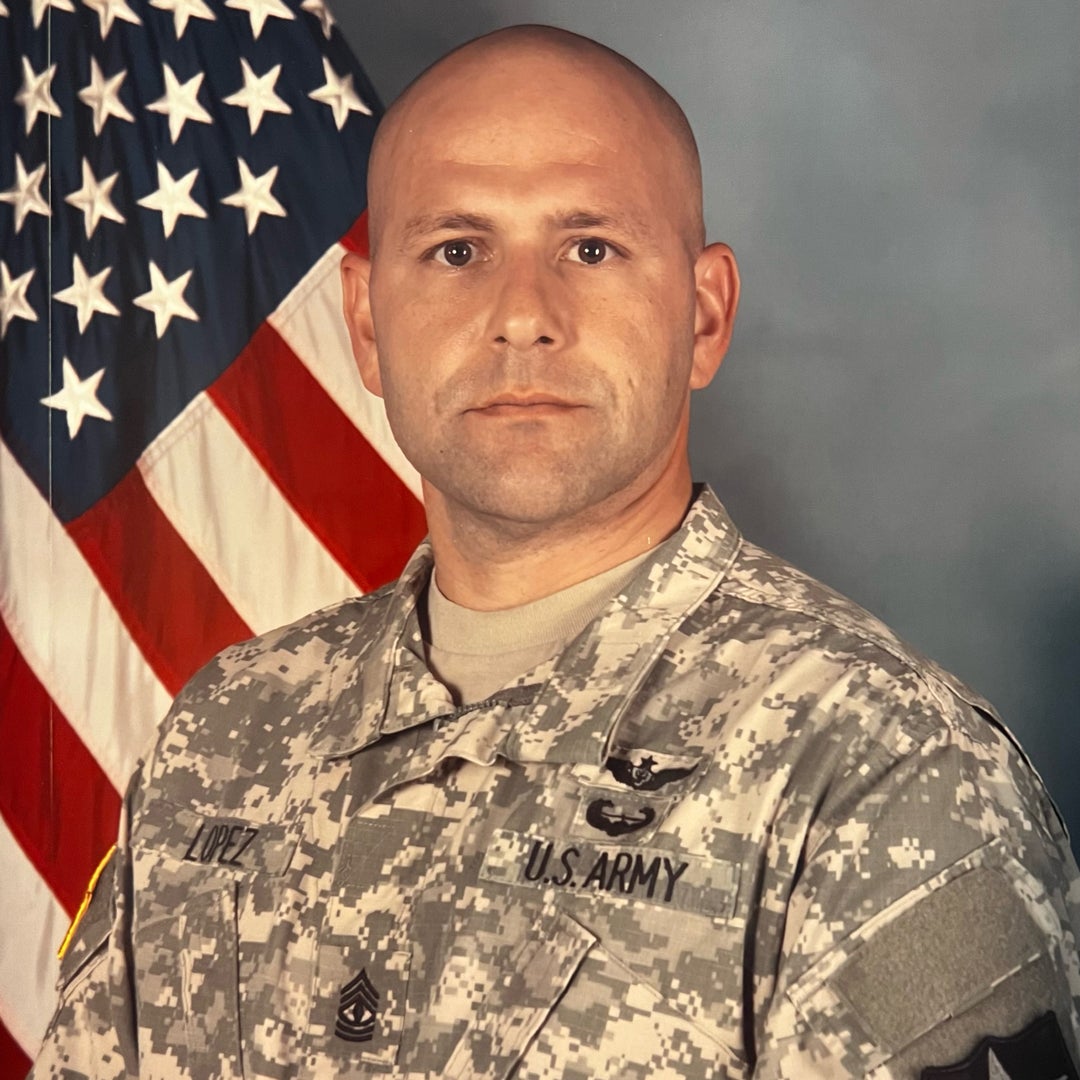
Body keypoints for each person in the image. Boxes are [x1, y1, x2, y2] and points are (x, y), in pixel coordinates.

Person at [30, 24, 1080, 1080]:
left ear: (705, 316)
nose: (523, 315)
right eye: (457, 250)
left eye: (590, 248)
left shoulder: (878, 770)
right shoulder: (226, 735)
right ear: (365, 324)